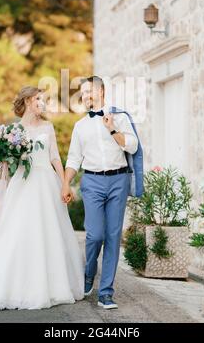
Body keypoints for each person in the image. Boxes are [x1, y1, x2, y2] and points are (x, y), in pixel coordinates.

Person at [0, 86, 84, 310]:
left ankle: (53, 286)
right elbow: (5, 167)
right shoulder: (13, 130)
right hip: (23, 185)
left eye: (42, 99)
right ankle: (14, 286)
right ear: (26, 101)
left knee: (49, 233)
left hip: (46, 183)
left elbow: (54, 157)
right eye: (37, 99)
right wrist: (0, 193)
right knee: (18, 233)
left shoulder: (48, 126)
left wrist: (64, 184)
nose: (41, 103)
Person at [63, 76, 139, 310]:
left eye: (90, 91)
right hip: (92, 181)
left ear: (102, 91)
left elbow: (132, 145)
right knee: (95, 235)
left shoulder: (121, 117)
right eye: (83, 93)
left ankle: (106, 292)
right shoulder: (80, 126)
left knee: (113, 237)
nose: (86, 96)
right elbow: (74, 158)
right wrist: (65, 184)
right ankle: (88, 273)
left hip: (118, 180)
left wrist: (112, 128)